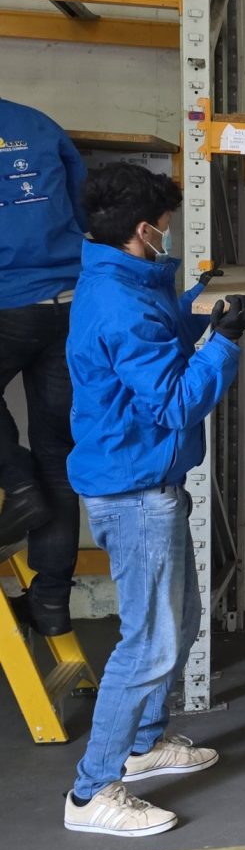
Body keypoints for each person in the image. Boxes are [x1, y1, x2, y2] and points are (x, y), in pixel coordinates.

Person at [62, 162, 245, 836]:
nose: (169, 240)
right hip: (134, 488)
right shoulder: (119, 302)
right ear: (144, 231)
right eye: (166, 230)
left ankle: (145, 746)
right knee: (148, 643)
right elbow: (178, 399)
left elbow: (157, 338)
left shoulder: (121, 278)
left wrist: (204, 304)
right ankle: (92, 795)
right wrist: (226, 344)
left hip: (146, 478)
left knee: (176, 621)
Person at [0, 96, 87, 635]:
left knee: (41, 469)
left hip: (8, 302)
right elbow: (85, 207)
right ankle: (51, 601)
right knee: (59, 454)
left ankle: (18, 481)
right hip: (69, 301)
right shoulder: (37, 122)